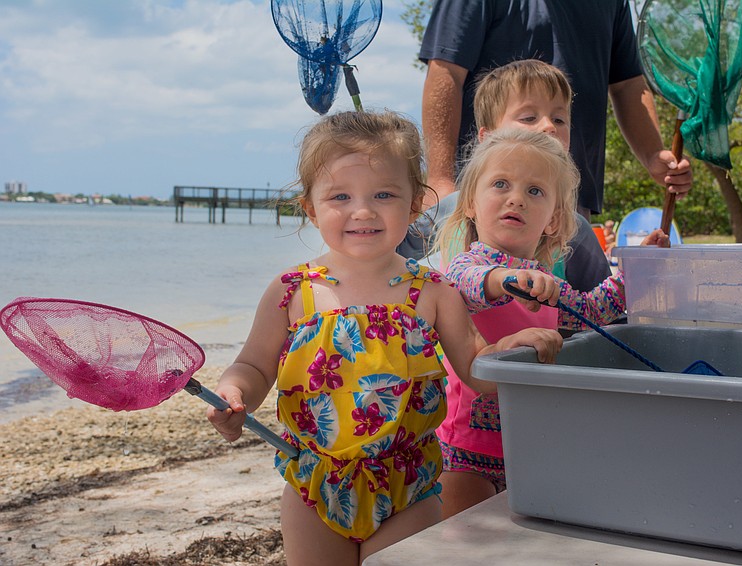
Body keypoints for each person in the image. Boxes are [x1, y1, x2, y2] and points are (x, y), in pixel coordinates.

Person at [206, 111, 563, 566]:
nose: (362, 210)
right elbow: (253, 366)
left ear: (415, 204)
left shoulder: (433, 291)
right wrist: (235, 394)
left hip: (409, 486)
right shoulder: (291, 292)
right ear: (311, 207)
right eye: (340, 196)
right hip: (314, 486)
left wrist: (511, 351)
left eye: (384, 194)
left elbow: (477, 369)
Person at [434, 128, 669, 518]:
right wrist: (504, 280)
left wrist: (635, 271)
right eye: (501, 184)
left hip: (533, 448)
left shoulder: (549, 283)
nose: (516, 199)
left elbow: (591, 310)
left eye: (535, 191)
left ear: (554, 220)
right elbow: (470, 284)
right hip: (466, 451)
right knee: (461, 545)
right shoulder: (466, 265)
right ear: (471, 202)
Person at [418, 0, 692, 220]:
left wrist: (653, 154)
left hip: (569, 201)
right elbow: (446, 72)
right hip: (483, 197)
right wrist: (440, 180)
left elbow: (628, 84)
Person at [400, 59, 614, 292]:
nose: (549, 126)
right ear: (487, 137)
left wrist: (628, 279)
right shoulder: (452, 208)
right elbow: (389, 252)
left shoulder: (573, 228)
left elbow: (598, 310)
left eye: (559, 119)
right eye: (529, 118)